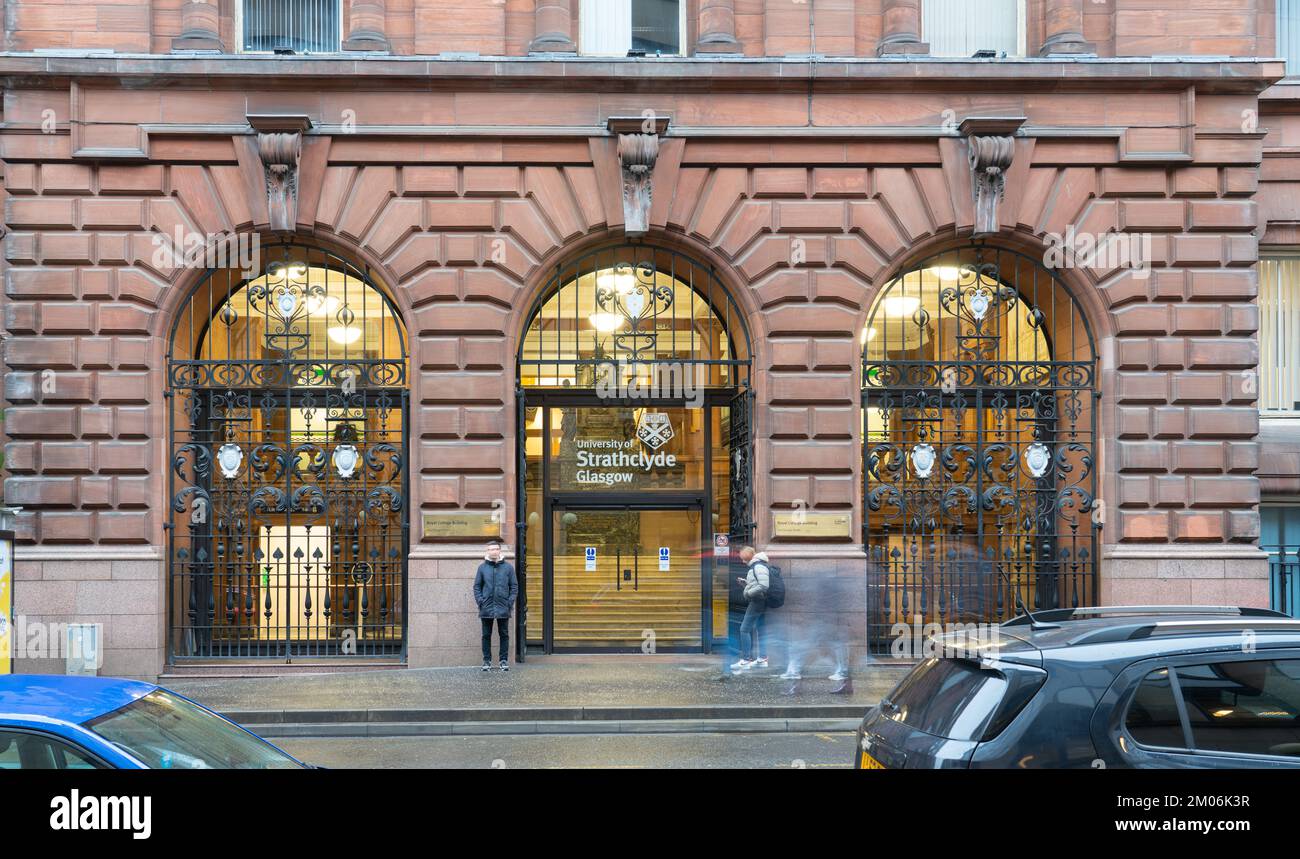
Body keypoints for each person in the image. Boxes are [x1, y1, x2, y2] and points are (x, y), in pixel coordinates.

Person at [473, 539, 518, 671]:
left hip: (503, 607)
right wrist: (480, 601)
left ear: (499, 550)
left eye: (496, 549)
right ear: (487, 551)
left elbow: (514, 586)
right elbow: (477, 587)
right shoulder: (482, 568)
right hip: (486, 607)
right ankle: (486, 661)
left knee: (504, 634)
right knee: (486, 635)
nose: (494, 551)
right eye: (491, 549)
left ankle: (503, 661)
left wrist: (509, 602)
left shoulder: (508, 568)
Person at [730, 546, 771, 672]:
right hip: (760, 601)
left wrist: (748, 593)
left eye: (744, 559)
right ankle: (762, 659)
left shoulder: (758, 566)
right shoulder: (757, 565)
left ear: (748, 557)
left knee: (744, 629)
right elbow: (758, 584)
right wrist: (746, 584)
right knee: (760, 629)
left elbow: (764, 585)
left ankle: (746, 660)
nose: (743, 562)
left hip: (757, 601)